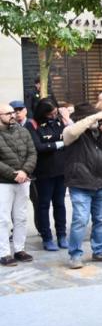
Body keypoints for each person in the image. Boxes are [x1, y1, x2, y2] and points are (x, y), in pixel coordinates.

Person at [62, 103, 102, 268]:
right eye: (96, 117)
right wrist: (93, 117)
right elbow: (70, 134)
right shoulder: (73, 130)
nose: (99, 121)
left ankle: (100, 251)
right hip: (80, 184)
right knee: (80, 221)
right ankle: (75, 255)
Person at [27, 98, 68, 251]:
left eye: (55, 112)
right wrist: (57, 144)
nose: (53, 116)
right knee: (43, 205)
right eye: (50, 114)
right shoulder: (32, 125)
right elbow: (38, 146)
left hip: (61, 171)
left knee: (60, 204)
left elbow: (68, 137)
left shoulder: (59, 122)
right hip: (44, 173)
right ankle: (47, 237)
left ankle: (62, 235)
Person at [0, 102, 37, 266]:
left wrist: (24, 172)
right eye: (8, 113)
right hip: (4, 183)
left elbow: (32, 152)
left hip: (23, 180)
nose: (13, 115)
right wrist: (13, 174)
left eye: (13, 112)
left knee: (21, 217)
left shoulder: (23, 131)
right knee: (3, 219)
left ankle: (19, 249)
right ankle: (4, 253)